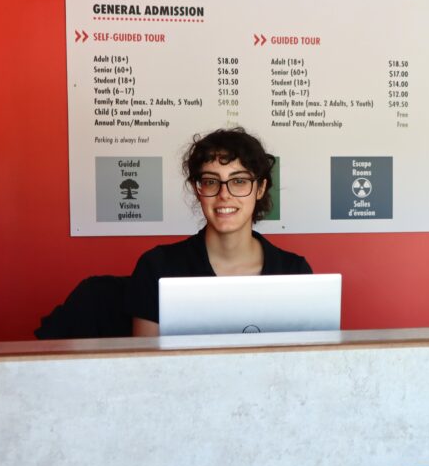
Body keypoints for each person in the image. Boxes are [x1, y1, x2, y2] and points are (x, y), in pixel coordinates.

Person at [127, 127, 311, 336]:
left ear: (260, 189)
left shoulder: (295, 271)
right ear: (198, 191)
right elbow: (145, 364)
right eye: (211, 182)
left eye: (239, 181)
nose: (224, 194)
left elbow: (308, 364)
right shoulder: (157, 267)